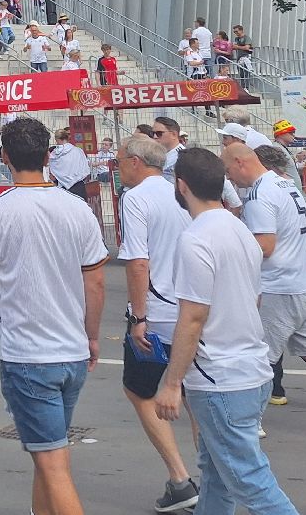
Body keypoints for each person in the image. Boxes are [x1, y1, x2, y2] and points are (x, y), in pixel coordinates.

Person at [0, 117, 107, 515]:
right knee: (49, 455)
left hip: (30, 356)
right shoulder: (77, 209)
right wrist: (92, 335)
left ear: (4, 157)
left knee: (52, 464)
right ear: (47, 157)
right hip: (70, 352)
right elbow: (95, 282)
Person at [153, 148, 297, 515]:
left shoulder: (196, 239)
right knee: (217, 474)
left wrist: (172, 383)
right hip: (251, 370)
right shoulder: (240, 230)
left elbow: (193, 317)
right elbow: (255, 298)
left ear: (181, 185)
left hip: (221, 378)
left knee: (250, 481)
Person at [222, 141, 306, 418]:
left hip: (277, 287)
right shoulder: (284, 184)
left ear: (240, 163)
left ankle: (250, 422)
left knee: (259, 358)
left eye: (228, 170)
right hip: (299, 282)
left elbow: (265, 246)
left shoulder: (259, 194)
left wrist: (230, 251)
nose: (228, 178)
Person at [115, 136, 200, 513]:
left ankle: (180, 478)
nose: (118, 167)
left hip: (158, 310)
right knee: (196, 395)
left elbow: (138, 261)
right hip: (190, 306)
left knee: (139, 389)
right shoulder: (178, 193)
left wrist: (139, 315)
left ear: (135, 162)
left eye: (120, 161)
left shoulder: (135, 198)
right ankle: (212, 477)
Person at [49, 128, 91, 199]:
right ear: (67, 137)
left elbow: (51, 171)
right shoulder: (79, 151)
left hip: (62, 187)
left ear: (57, 139)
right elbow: (86, 169)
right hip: (79, 186)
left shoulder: (53, 154)